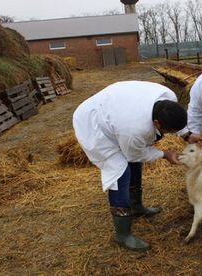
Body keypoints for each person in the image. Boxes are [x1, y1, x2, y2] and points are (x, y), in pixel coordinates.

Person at [73, 81, 188, 252]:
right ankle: (123, 234)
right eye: (169, 131)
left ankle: (136, 206)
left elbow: (139, 150)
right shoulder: (135, 129)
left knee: (133, 160)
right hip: (93, 123)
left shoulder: (168, 97)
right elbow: (134, 154)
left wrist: (187, 134)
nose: (171, 134)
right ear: (156, 123)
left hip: (115, 109)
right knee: (120, 171)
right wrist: (165, 154)